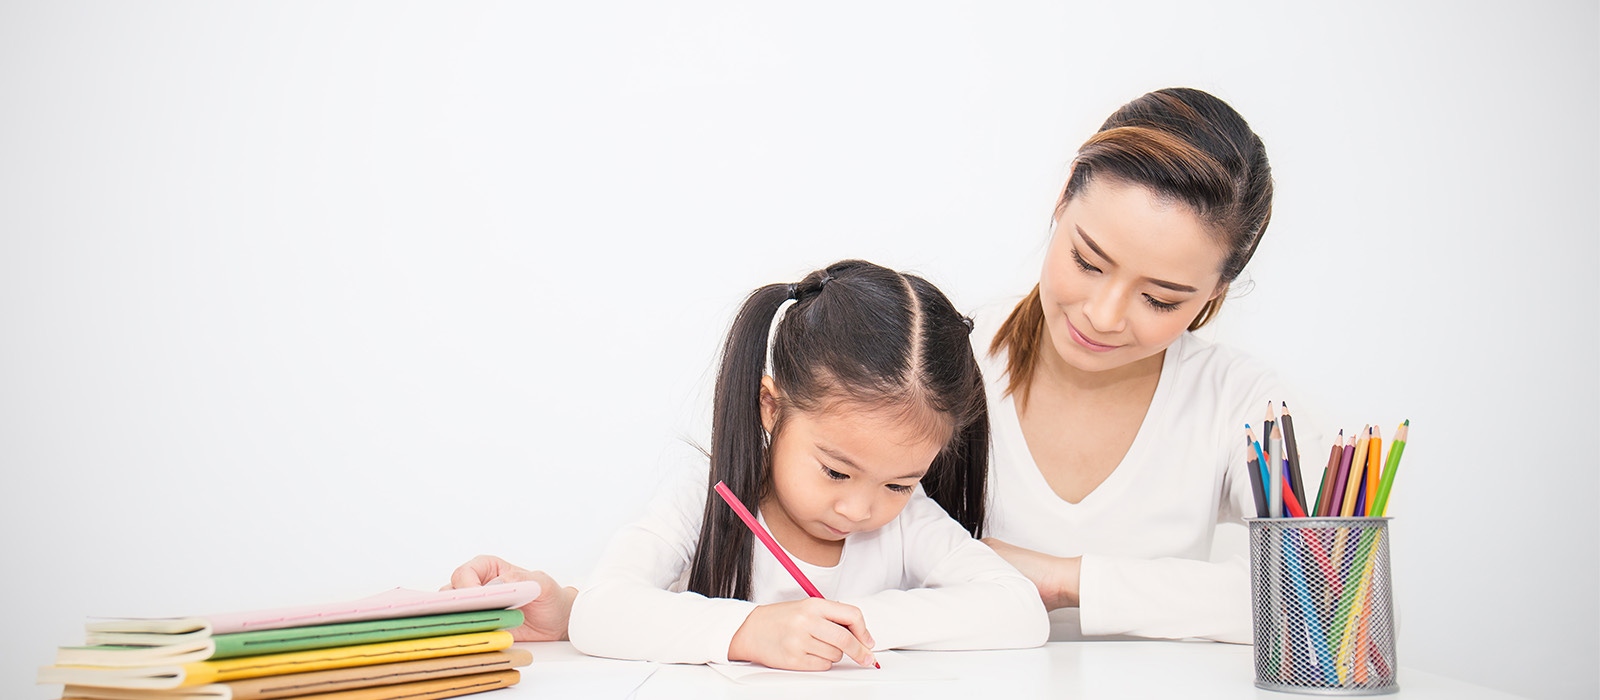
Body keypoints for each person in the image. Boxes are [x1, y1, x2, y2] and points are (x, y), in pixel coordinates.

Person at [449, 260, 1047, 670]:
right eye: (836, 471)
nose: (862, 508)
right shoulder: (703, 497)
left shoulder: (907, 522)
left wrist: (850, 623)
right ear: (770, 406)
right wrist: (747, 632)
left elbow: (1020, 612)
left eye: (898, 481)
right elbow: (603, 612)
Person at [975, 87, 1300, 644]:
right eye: (1087, 261)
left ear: (1216, 292)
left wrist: (1065, 580)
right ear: (1061, 199)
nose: (1103, 317)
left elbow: (1316, 597)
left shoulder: (1240, 403)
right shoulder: (947, 361)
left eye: (1161, 299)